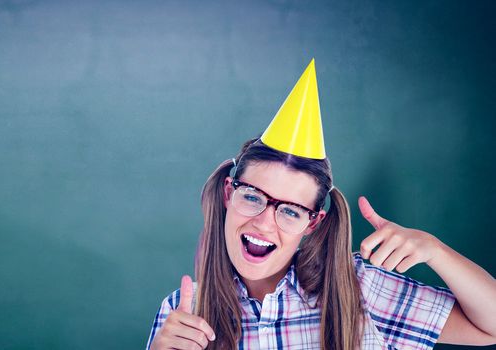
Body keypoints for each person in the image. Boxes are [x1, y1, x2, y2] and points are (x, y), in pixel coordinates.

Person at [146, 60, 496, 349]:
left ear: (312, 223)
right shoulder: (182, 315)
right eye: (252, 197)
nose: (265, 224)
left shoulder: (359, 289)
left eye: (290, 211)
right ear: (227, 194)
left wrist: (435, 251)